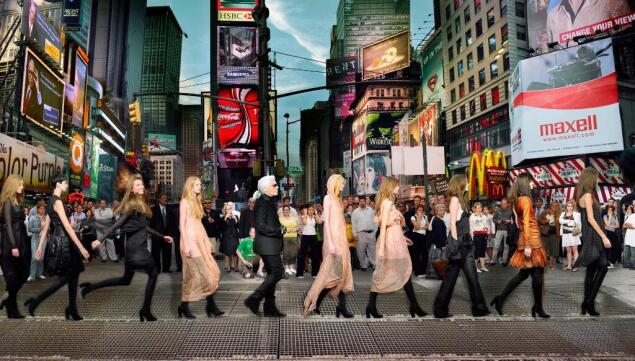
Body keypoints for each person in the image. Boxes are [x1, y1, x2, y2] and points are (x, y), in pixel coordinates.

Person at [80, 173, 173, 322]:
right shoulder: (132, 204)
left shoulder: (139, 203)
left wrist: (163, 237)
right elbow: (117, 224)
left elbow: (145, 228)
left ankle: (91, 287)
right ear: (132, 189)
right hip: (138, 250)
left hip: (133, 250)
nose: (141, 186)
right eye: (138, 185)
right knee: (154, 273)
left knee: (125, 280)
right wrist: (100, 239)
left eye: (142, 184)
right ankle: (145, 310)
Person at [27, 173, 90, 320]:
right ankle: (35, 301)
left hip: (59, 241)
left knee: (73, 275)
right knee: (64, 278)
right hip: (64, 242)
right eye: (65, 183)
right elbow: (67, 227)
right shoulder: (58, 202)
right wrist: (81, 248)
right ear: (58, 184)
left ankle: (72, 309)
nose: (67, 185)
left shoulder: (51, 201)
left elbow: (47, 226)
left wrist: (39, 247)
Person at [365, 177, 426, 319]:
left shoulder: (389, 203)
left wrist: (402, 237)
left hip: (395, 240)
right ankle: (372, 305)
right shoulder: (387, 203)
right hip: (390, 242)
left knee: (402, 273)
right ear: (390, 187)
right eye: (396, 186)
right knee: (385, 273)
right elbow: (384, 225)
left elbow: (393, 225)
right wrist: (381, 249)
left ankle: (413, 305)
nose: (399, 188)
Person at [490, 173, 550, 318]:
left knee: (526, 274)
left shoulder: (517, 200)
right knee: (536, 274)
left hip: (527, 237)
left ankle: (502, 299)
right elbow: (527, 224)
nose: (532, 184)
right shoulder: (526, 200)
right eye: (530, 181)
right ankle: (537, 307)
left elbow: (520, 223)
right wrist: (528, 244)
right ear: (525, 183)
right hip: (532, 240)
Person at [433, 174, 489, 319]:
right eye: (466, 182)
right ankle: (440, 309)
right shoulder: (455, 199)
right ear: (460, 184)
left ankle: (479, 308)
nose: (469, 184)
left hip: (466, 241)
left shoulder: (462, 200)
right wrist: (456, 243)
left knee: (470, 276)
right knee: (452, 277)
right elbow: (452, 223)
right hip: (460, 241)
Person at [304, 174, 354, 318]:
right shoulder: (328, 198)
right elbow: (327, 226)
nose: (344, 186)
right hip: (333, 242)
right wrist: (331, 244)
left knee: (343, 273)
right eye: (342, 183)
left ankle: (341, 307)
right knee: (331, 275)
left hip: (342, 240)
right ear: (335, 183)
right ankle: (314, 303)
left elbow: (328, 218)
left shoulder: (338, 200)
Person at [176, 176, 224, 319]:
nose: (199, 187)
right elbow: (182, 225)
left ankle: (206, 305)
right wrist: (185, 244)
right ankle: (194, 306)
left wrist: (207, 241)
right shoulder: (184, 202)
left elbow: (199, 224)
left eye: (199, 185)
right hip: (189, 241)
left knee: (206, 272)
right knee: (197, 274)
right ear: (190, 186)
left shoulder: (197, 202)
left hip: (200, 240)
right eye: (197, 184)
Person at [244, 176, 286, 317]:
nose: (277, 187)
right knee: (277, 272)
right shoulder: (262, 203)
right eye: (274, 185)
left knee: (272, 274)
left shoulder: (266, 202)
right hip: (267, 244)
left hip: (269, 244)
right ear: (266, 188)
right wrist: (278, 230)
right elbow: (261, 226)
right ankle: (254, 298)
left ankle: (269, 307)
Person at [574, 168, 612, 317]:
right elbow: (590, 219)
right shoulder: (588, 196)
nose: (598, 181)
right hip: (594, 236)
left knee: (592, 270)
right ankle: (589, 301)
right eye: (596, 178)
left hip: (590, 235)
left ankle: (586, 302)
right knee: (603, 267)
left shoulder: (584, 195)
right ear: (591, 179)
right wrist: (603, 236)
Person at [0, 175, 31, 318]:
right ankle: (12, 308)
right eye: (20, 184)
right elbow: (8, 226)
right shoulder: (7, 202)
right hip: (12, 241)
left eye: (23, 184)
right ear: (13, 185)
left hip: (22, 239)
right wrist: (13, 246)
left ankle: (8, 300)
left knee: (24, 273)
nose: (22, 187)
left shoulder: (18, 201)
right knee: (13, 276)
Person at [351, 196, 377, 272]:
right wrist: (354, 234)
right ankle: (363, 265)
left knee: (372, 250)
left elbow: (375, 221)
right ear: (359, 202)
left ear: (366, 202)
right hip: (360, 234)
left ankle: (374, 265)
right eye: (361, 201)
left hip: (371, 233)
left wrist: (375, 232)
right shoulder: (355, 212)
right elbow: (353, 224)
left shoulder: (371, 210)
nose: (362, 202)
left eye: (363, 201)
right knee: (360, 251)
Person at [150, 194, 173, 273]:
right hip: (157, 235)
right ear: (159, 199)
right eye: (163, 198)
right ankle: (157, 269)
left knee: (167, 253)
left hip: (167, 235)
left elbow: (171, 222)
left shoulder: (169, 210)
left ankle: (166, 269)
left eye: (166, 198)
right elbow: (150, 222)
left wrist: (171, 234)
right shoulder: (153, 209)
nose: (165, 200)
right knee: (156, 253)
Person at [297, 205, 320, 278]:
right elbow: (304, 223)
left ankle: (315, 273)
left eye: (312, 210)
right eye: (309, 210)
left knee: (315, 255)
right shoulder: (304, 216)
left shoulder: (315, 217)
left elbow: (319, 222)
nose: (311, 211)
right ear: (307, 210)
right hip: (305, 236)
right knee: (302, 255)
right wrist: (305, 214)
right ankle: (300, 273)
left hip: (313, 236)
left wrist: (316, 213)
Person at [27, 202, 48, 281]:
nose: (43, 210)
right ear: (38, 209)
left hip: (44, 238)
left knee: (41, 257)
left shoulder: (46, 218)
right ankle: (32, 275)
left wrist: (47, 229)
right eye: (41, 209)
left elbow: (49, 229)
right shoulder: (32, 218)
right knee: (34, 256)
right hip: (35, 238)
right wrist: (40, 229)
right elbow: (29, 229)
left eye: (44, 209)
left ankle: (39, 273)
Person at [426, 204, 447, 279]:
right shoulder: (437, 220)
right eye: (440, 210)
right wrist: (443, 245)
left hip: (436, 243)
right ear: (436, 212)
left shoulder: (438, 219)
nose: (443, 212)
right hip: (437, 243)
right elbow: (439, 234)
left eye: (443, 210)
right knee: (436, 259)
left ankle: (432, 274)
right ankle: (433, 274)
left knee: (434, 258)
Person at [559, 200, 581, 272]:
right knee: (568, 250)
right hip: (565, 234)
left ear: (573, 207)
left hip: (574, 234)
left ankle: (576, 266)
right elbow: (560, 221)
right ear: (566, 207)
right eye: (568, 206)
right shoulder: (563, 214)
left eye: (571, 206)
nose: (570, 207)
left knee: (575, 250)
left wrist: (566, 221)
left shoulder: (577, 214)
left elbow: (577, 223)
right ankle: (569, 265)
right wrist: (569, 221)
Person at [539, 201, 561, 271]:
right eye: (553, 205)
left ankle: (551, 264)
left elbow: (561, 223)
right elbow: (539, 220)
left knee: (553, 249)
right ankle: (544, 263)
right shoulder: (545, 212)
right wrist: (546, 220)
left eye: (556, 205)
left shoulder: (559, 214)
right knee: (544, 248)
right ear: (550, 206)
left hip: (554, 233)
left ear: (558, 206)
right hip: (545, 233)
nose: (554, 206)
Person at [492, 198, 513, 266]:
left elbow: (513, 221)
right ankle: (493, 261)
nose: (503, 205)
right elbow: (493, 219)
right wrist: (497, 221)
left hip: (507, 231)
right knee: (496, 246)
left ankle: (504, 261)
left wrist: (509, 221)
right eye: (502, 204)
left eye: (505, 204)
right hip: (499, 230)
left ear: (507, 204)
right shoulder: (497, 211)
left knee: (506, 246)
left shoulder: (510, 211)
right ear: (501, 204)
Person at [470, 202, 490, 273]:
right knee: (476, 252)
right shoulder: (472, 216)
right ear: (474, 209)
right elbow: (471, 227)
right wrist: (472, 237)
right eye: (478, 208)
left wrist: (487, 231)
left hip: (484, 235)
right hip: (476, 236)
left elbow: (487, 225)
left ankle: (483, 267)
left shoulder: (483, 216)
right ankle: (475, 267)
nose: (479, 209)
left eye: (480, 207)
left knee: (482, 251)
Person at [279, 205, 299, 276]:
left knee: (293, 253)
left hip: (294, 237)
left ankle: (292, 267)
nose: (286, 211)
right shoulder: (280, 219)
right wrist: (290, 229)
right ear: (283, 211)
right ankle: (286, 267)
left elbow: (297, 227)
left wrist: (294, 229)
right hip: (285, 237)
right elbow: (281, 228)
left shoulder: (293, 218)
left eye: (288, 210)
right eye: (285, 210)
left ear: (289, 211)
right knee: (286, 253)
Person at [409, 204, 428, 277]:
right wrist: (419, 218)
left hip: (423, 236)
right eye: (419, 210)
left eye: (422, 210)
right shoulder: (413, 217)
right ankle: (417, 272)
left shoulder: (425, 216)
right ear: (416, 210)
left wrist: (421, 226)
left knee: (424, 254)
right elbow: (416, 227)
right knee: (416, 254)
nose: (420, 211)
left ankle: (423, 271)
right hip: (416, 236)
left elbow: (427, 227)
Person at [220, 202, 240, 273]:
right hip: (226, 237)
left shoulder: (236, 217)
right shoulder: (222, 218)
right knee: (227, 253)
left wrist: (236, 220)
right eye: (227, 209)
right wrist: (225, 219)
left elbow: (238, 227)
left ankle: (236, 267)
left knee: (235, 253)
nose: (229, 210)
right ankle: (228, 267)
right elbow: (221, 228)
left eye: (230, 208)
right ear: (225, 210)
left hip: (234, 236)